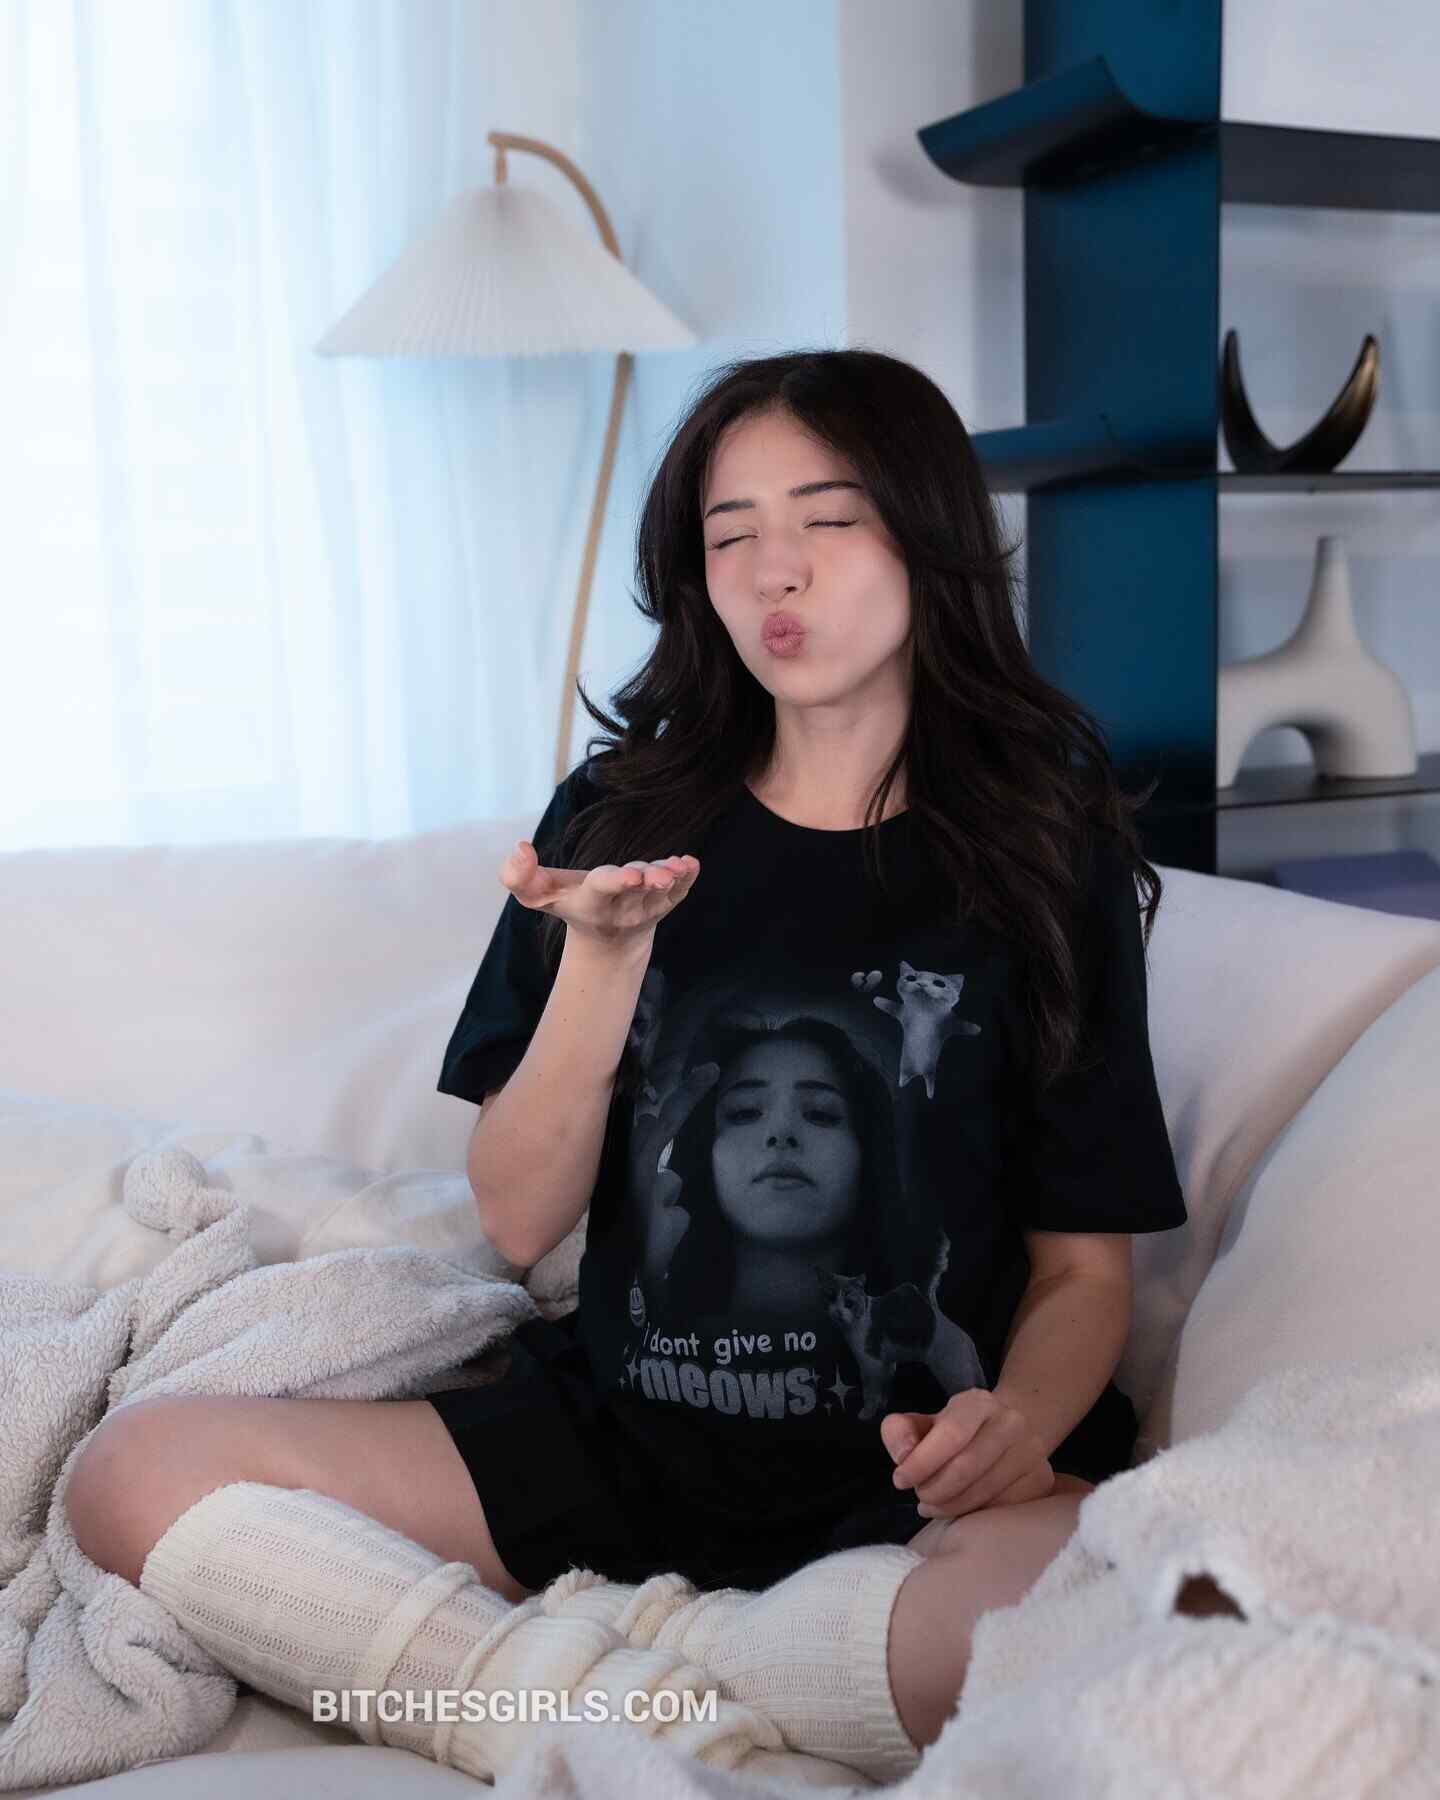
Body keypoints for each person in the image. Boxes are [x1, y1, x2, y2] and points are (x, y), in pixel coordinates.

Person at [67, 348, 1191, 1786]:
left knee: (1114, 1614)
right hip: (619, 1450)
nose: (775, 571)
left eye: (828, 519)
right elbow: (517, 1218)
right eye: (732, 536)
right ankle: (626, 1686)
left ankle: (588, 1679)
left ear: (930, 537)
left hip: (910, 1487)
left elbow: (1085, 1274)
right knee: (130, 1475)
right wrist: (601, 961)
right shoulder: (619, 812)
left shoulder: (1042, 848)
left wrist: (1021, 1424)